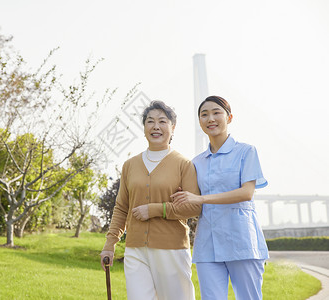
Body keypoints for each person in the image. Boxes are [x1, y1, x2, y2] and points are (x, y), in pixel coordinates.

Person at [100, 100, 202, 300]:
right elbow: (122, 208)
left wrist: (157, 209)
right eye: (150, 121)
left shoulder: (184, 164)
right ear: (144, 127)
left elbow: (194, 207)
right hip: (135, 249)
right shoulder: (130, 165)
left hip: (172, 249)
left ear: (172, 128)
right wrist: (109, 244)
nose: (156, 126)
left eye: (162, 121)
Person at [171, 95, 269, 300]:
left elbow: (246, 193)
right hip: (208, 245)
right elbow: (190, 199)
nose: (210, 118)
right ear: (200, 122)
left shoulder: (245, 152)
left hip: (242, 241)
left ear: (229, 117)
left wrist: (201, 199)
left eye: (216, 113)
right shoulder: (196, 162)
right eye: (204, 115)